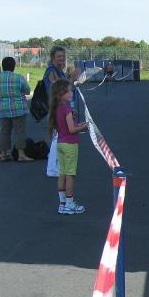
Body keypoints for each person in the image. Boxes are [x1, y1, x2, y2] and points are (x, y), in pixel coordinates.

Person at [48, 79, 88, 214]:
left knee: (62, 174)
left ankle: (62, 203)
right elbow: (71, 129)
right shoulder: (67, 110)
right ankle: (70, 204)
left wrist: (78, 124)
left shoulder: (57, 109)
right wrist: (84, 126)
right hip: (70, 145)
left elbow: (65, 127)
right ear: (60, 94)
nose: (71, 93)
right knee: (70, 175)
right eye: (68, 91)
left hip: (60, 143)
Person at [0, 57, 32, 162]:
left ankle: (3, 154)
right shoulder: (18, 77)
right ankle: (21, 154)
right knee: (20, 132)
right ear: (14, 66)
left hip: (2, 109)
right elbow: (27, 91)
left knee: (4, 132)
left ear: (3, 66)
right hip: (18, 108)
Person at [44, 47, 68, 178]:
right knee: (57, 138)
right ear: (53, 58)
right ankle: (52, 168)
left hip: (61, 107)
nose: (62, 59)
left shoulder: (59, 70)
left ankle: (56, 165)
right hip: (55, 108)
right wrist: (72, 79)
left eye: (63, 56)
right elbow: (59, 88)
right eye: (59, 56)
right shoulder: (51, 71)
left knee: (60, 136)